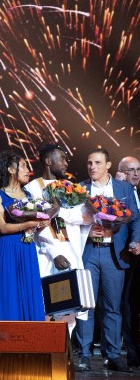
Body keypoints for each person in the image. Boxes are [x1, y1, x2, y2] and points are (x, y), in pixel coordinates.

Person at [75, 148, 140, 372]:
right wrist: (87, 230)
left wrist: (136, 240)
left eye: (97, 162)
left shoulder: (123, 188)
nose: (92, 167)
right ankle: (84, 355)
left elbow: (135, 218)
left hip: (114, 253)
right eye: (89, 163)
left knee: (113, 307)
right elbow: (70, 220)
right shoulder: (80, 189)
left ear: (108, 165)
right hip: (89, 252)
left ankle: (113, 354)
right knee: (86, 305)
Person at [23, 143, 92, 333]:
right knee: (46, 307)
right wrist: (54, 253)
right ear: (48, 161)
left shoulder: (72, 188)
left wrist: (60, 211)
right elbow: (38, 225)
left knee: (70, 312)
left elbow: (85, 217)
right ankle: (44, 349)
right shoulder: (32, 189)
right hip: (46, 256)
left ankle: (63, 351)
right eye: (61, 159)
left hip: (72, 253)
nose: (66, 163)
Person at [0, 150, 47, 322]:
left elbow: (34, 224)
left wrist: (40, 224)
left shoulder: (29, 196)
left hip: (27, 247)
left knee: (28, 290)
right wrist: (27, 225)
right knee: (9, 293)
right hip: (8, 247)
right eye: (23, 166)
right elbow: (3, 227)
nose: (28, 170)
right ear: (11, 170)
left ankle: (31, 334)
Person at [117, 156, 140, 368]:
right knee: (126, 305)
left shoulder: (137, 194)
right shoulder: (118, 192)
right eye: (131, 170)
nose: (136, 174)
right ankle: (131, 353)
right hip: (125, 256)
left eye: (138, 170)